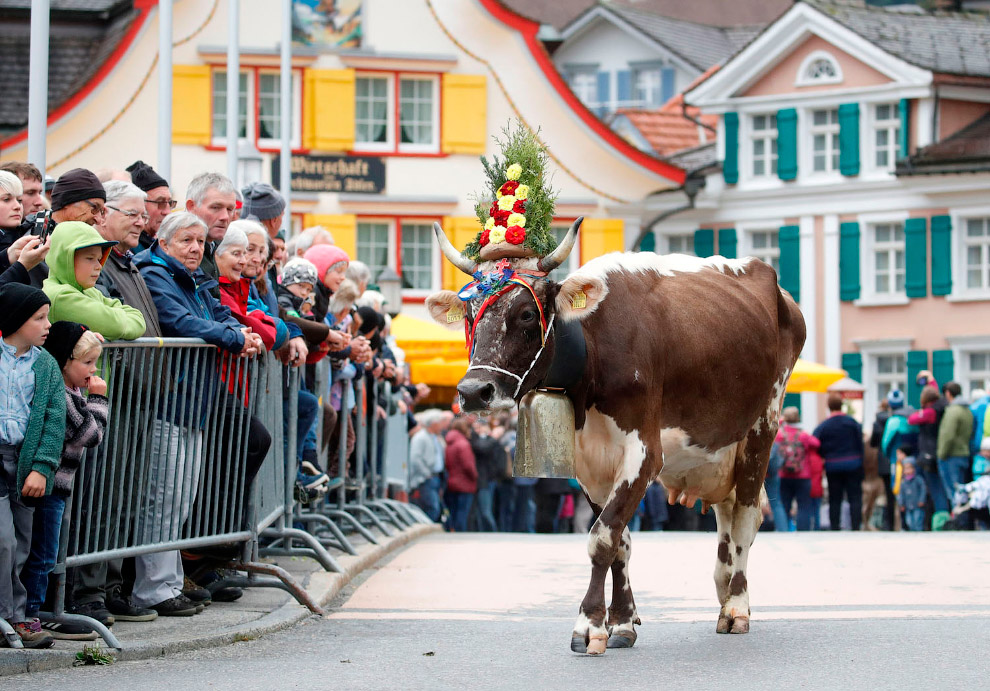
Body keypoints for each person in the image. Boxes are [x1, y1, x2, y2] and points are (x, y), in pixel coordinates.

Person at [22, 323, 112, 640]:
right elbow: (91, 434)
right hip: (50, 488)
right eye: (87, 362)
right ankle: (31, 613)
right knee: (44, 554)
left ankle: (35, 611)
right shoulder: (63, 396)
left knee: (47, 551)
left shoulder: (71, 391)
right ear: (64, 362)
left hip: (58, 488)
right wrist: (99, 399)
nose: (93, 370)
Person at [0, 284, 65, 649]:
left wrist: (42, 467)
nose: (47, 325)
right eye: (39, 318)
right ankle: (10, 618)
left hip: (24, 463)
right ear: (15, 320)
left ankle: (16, 615)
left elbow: (55, 422)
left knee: (22, 545)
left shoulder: (46, 364)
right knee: (3, 542)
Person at [41, 222, 147, 341]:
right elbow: (116, 326)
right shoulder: (60, 296)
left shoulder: (89, 291)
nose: (99, 266)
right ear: (66, 259)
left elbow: (139, 319)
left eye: (99, 259)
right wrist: (122, 318)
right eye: (90, 258)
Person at [813, 393, 865, 531]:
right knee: (855, 496)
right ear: (842, 405)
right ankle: (856, 526)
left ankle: (835, 527)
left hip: (833, 465)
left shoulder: (824, 425)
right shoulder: (852, 422)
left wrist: (824, 454)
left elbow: (815, 443)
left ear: (828, 406)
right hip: (853, 463)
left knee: (834, 497)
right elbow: (860, 443)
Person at [184, 172, 236, 284]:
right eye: (216, 207)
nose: (225, 217)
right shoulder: (179, 252)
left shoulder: (212, 246)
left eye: (230, 209)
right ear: (191, 206)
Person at [775, 407, 819, 531]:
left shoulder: (779, 434)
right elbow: (817, 443)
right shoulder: (803, 435)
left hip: (783, 475)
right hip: (803, 476)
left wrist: (780, 422)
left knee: (784, 504)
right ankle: (803, 532)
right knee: (804, 506)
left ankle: (783, 531)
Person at [937, 382, 974, 527]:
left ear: (948, 393)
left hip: (951, 455)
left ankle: (959, 521)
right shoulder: (967, 410)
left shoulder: (953, 411)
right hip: (964, 453)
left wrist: (941, 453)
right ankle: (963, 520)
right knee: (962, 490)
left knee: (954, 491)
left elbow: (948, 435)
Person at [125, 161, 174, 252]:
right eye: (160, 203)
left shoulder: (159, 245)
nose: (168, 212)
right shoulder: (128, 248)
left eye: (170, 203)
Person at [409, 409, 446, 522]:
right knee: (432, 507)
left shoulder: (434, 437)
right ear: (433, 423)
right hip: (426, 479)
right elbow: (415, 458)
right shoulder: (421, 437)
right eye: (440, 422)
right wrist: (426, 474)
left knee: (435, 508)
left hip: (435, 477)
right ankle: (425, 527)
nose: (442, 426)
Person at [444, 416, 477, 532]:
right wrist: (475, 477)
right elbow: (468, 465)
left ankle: (453, 531)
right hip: (465, 482)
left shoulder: (449, 443)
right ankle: (460, 533)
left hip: (452, 481)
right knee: (463, 512)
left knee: (454, 510)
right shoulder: (463, 444)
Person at [868, 399, 896, 530]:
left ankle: (888, 524)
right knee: (896, 493)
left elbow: (873, 443)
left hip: (883, 461)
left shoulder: (877, 422)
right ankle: (897, 523)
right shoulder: (896, 419)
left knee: (887, 493)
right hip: (896, 459)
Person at [897, 452, 927, 532]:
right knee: (909, 521)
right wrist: (901, 504)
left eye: (909, 468)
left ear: (914, 468)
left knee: (918, 520)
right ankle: (912, 532)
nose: (907, 471)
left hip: (917, 505)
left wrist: (922, 500)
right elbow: (901, 494)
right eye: (905, 469)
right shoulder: (903, 482)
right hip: (908, 506)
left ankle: (919, 533)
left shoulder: (918, 480)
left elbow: (923, 489)